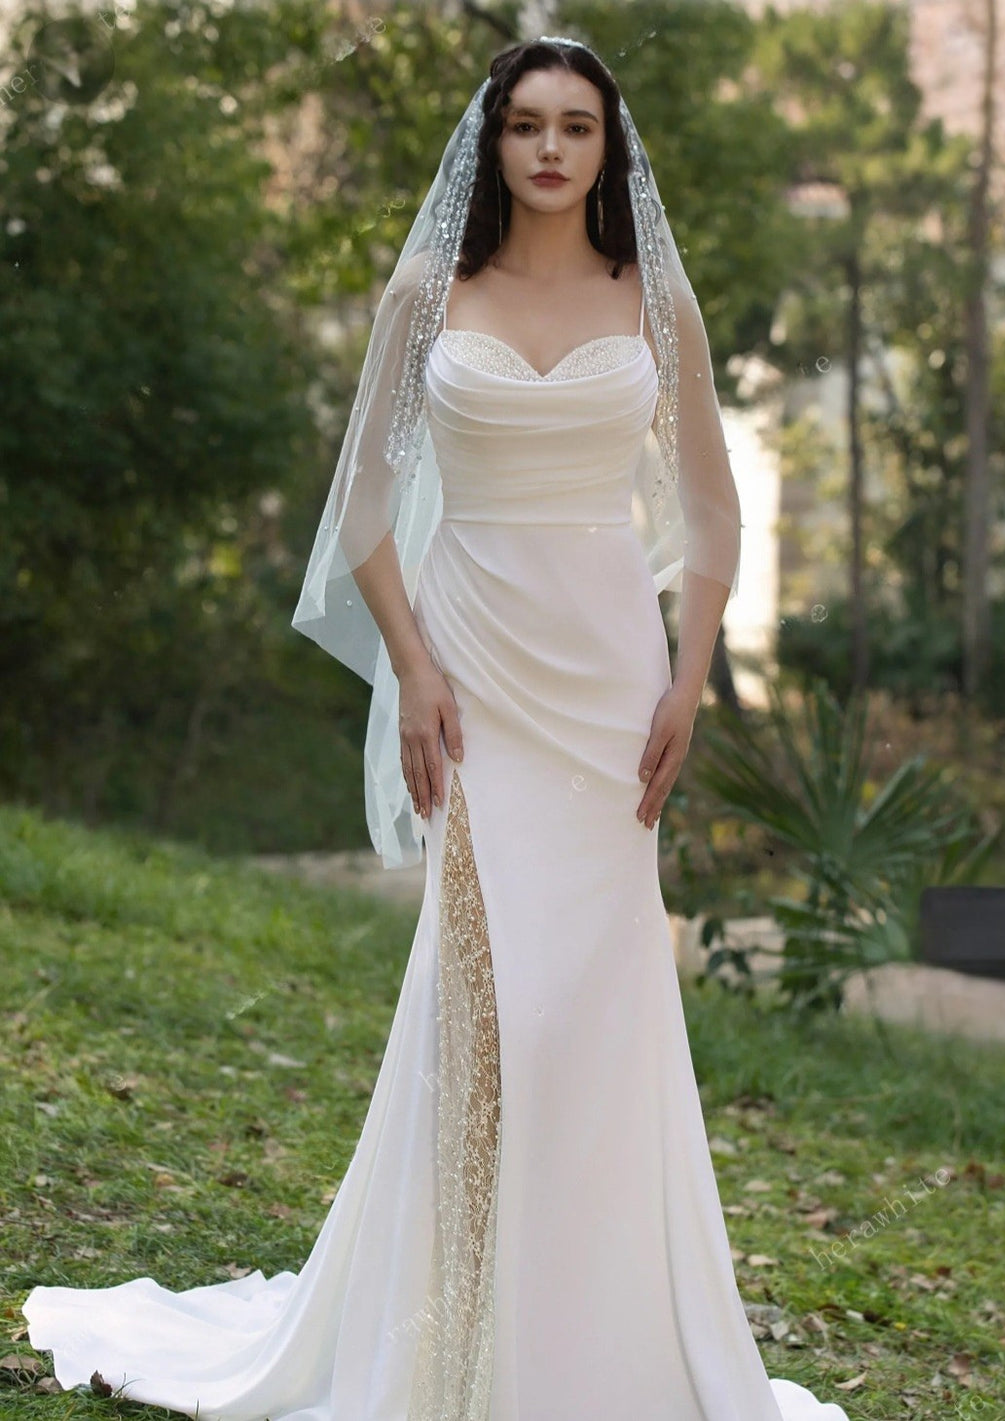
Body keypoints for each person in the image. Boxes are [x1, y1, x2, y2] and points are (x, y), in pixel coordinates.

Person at [22, 36, 853, 1421]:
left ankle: (596, 1337)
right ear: (495, 143)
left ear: (608, 150)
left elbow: (713, 515)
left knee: (594, 999)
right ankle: (457, 1329)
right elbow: (361, 512)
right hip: (474, 671)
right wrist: (410, 667)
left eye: (576, 127)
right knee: (489, 993)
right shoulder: (427, 291)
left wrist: (690, 675)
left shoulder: (655, 305)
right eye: (526, 124)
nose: (548, 149)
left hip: (605, 677)